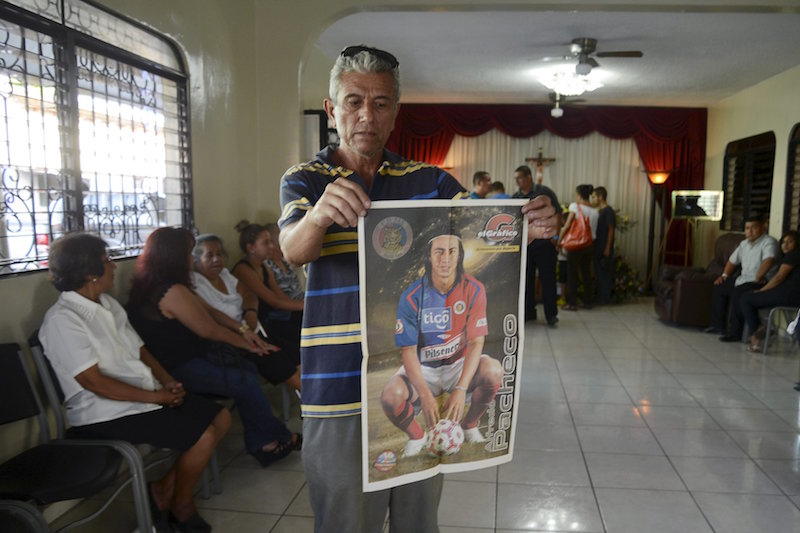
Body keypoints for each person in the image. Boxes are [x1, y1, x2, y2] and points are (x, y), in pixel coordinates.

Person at [277, 45, 558, 533]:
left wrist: (531, 223)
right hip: (338, 387)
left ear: (394, 113)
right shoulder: (305, 180)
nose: (367, 115)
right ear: (331, 109)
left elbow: (487, 226)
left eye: (381, 103)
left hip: (421, 378)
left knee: (417, 518)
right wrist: (320, 214)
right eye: (353, 101)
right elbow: (293, 249)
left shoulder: (429, 182)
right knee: (345, 521)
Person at [40, 233, 231, 533]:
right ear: (90, 272)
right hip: (104, 413)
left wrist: (168, 383)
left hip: (141, 399)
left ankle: (163, 491)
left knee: (221, 417)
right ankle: (181, 506)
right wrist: (156, 399)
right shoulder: (63, 320)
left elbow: (140, 350)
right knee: (203, 435)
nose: (114, 267)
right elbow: (94, 383)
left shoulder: (107, 304)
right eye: (107, 261)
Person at [127, 227, 300, 468]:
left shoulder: (167, 283)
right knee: (246, 381)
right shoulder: (170, 290)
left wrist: (245, 332)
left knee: (248, 371)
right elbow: (209, 329)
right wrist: (250, 344)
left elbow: (211, 312)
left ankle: (262, 441)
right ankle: (275, 438)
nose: (191, 258)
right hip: (177, 367)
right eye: (188, 253)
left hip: (190, 357)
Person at [380, 229, 502, 457]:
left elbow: (476, 343)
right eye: (438, 252)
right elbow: (407, 350)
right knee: (390, 396)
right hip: (423, 369)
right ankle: (418, 437)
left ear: (459, 255)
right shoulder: (411, 296)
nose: (445, 258)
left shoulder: (474, 289)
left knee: (494, 370)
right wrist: (425, 395)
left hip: (458, 365)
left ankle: (469, 424)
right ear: (429, 256)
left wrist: (461, 388)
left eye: (451, 251)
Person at [191, 233, 301, 391]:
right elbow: (211, 313)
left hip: (251, 327)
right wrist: (242, 329)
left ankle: (310, 396)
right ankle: (313, 402)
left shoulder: (225, 275)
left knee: (290, 348)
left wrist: (250, 312)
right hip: (229, 338)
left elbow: (249, 294)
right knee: (274, 357)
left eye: (220, 254)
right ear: (196, 260)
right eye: (209, 255)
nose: (216, 259)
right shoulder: (194, 283)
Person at [231, 220, 304, 366]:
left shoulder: (263, 266)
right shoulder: (244, 269)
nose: (272, 246)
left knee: (303, 319)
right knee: (295, 339)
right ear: (251, 248)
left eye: (271, 241)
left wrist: (303, 306)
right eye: (266, 243)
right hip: (260, 322)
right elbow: (273, 301)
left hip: (273, 317)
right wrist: (307, 305)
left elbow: (280, 297)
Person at [707, 214, 779, 341]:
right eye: (747, 228)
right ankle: (718, 326)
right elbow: (732, 261)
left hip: (761, 281)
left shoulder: (768, 242)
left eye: (754, 228)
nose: (750, 231)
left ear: (763, 228)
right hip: (744, 279)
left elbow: (769, 260)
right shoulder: (744, 244)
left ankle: (735, 333)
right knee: (720, 287)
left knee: (738, 292)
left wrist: (759, 276)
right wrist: (724, 276)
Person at [513, 164, 561, 325]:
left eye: (519, 178)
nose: (517, 181)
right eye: (515, 179)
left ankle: (551, 315)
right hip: (525, 246)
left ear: (528, 177)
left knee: (548, 279)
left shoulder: (545, 192)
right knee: (525, 280)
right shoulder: (515, 197)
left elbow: (558, 214)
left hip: (545, 244)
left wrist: (556, 236)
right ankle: (527, 313)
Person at [739, 230, 800, 351]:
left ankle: (757, 335)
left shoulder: (794, 255)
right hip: (789, 295)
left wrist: (762, 291)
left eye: (790, 242)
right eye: (783, 242)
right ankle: (760, 330)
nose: (785, 245)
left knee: (746, 298)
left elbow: (779, 277)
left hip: (790, 295)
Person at [559, 184, 599, 310]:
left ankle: (572, 303)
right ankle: (588, 302)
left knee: (572, 274)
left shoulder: (575, 207)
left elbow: (567, 225)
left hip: (575, 245)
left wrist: (560, 240)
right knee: (586, 273)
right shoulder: (595, 212)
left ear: (579, 195)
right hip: (589, 245)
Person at [591, 186, 616, 305]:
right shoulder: (599, 211)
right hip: (597, 246)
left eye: (594, 197)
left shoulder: (608, 211)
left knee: (604, 273)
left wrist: (607, 248)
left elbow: (611, 230)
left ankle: (605, 298)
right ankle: (600, 296)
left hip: (604, 247)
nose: (593, 199)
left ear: (601, 197)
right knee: (598, 272)